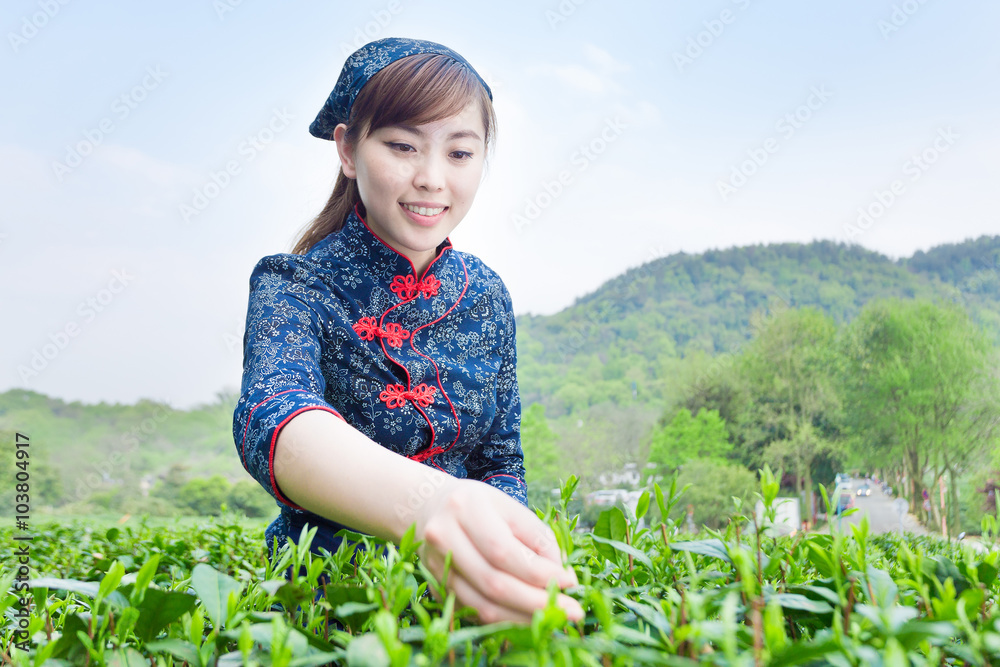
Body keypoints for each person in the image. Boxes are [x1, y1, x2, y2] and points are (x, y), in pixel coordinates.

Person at [232, 37, 583, 625]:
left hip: (461, 609)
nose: (431, 179)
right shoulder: (292, 283)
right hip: (325, 604)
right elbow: (274, 418)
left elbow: (501, 462)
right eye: (402, 146)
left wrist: (505, 563)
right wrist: (430, 503)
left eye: (460, 154)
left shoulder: (486, 295)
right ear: (347, 149)